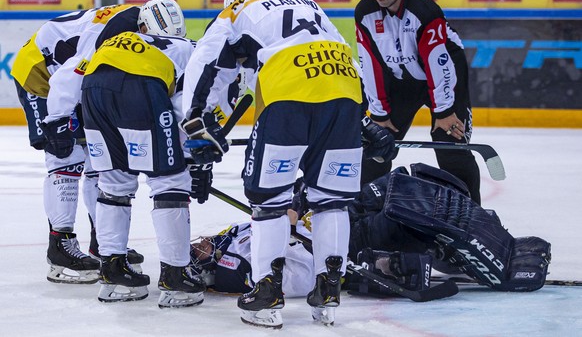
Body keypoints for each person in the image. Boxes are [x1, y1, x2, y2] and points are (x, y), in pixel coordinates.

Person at [181, 0, 367, 328]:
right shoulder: (306, 2)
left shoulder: (234, 11)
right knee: (330, 200)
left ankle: (266, 292)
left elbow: (205, 64)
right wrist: (366, 116)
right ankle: (328, 290)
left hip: (287, 91)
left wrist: (196, 122)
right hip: (345, 91)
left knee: (269, 201)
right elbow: (346, 57)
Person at [10, 0, 182, 285]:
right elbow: (71, 73)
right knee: (64, 158)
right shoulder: (113, 30)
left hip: (79, 78)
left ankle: (102, 242)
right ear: (142, 27)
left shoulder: (139, 27)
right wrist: (59, 118)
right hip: (41, 72)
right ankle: (59, 247)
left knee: (98, 159)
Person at [190, 163, 551, 296]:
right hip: (345, 241)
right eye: (197, 252)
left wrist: (299, 199)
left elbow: (269, 218)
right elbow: (298, 278)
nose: (199, 244)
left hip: (336, 211)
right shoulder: (241, 272)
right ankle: (489, 257)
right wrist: (291, 221)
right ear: (210, 268)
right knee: (406, 209)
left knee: (400, 181)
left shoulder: (228, 239)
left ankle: (484, 231)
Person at [80, 24, 211, 307]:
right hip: (139, 87)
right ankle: (176, 275)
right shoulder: (194, 49)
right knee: (170, 181)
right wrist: (190, 156)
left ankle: (112, 269)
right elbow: (185, 107)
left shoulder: (128, 38)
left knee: (114, 184)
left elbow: (70, 73)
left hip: (91, 89)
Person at [355, 0, 482, 204]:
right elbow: (370, 64)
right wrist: (380, 114)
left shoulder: (425, 12)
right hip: (401, 82)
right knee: (377, 144)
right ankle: (361, 209)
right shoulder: (364, 12)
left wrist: (445, 111)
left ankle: (474, 213)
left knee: (449, 143)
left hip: (444, 76)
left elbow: (439, 65)